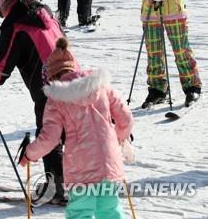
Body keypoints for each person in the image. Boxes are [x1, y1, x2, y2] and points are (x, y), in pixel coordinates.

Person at [20, 37, 133, 219]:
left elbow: (50, 138)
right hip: (109, 162)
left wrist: (30, 153)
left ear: (51, 76)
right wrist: (118, 139)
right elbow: (126, 118)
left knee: (80, 212)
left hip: (82, 168)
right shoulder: (102, 87)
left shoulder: (56, 99)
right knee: (110, 210)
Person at [0, 0, 67, 204]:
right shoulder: (42, 10)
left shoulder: (15, 23)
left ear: (1, 7)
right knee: (69, 130)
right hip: (71, 77)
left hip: (47, 87)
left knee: (49, 134)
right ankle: (74, 179)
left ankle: (57, 188)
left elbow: (3, 63)